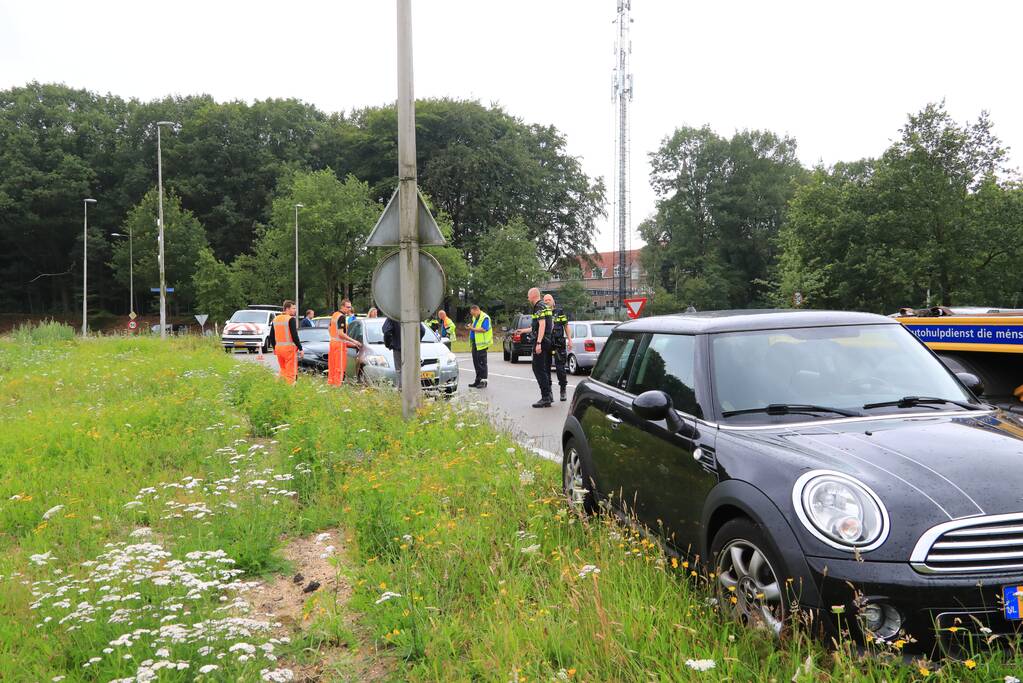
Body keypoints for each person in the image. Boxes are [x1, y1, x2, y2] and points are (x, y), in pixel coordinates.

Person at [544, 293, 572, 401]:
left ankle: (563, 390)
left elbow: (566, 326)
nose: (547, 302)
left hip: (559, 344)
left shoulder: (559, 312)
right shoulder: (542, 313)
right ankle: (549, 392)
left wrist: (569, 340)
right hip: (547, 344)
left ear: (553, 301)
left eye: (549, 300)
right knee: (546, 369)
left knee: (560, 369)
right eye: (545, 300)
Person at [527, 287, 553, 407]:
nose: (528, 298)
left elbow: (542, 324)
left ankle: (546, 397)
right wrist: (522, 331)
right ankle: (548, 396)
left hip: (541, 342)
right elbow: (547, 325)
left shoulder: (538, 306)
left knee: (538, 368)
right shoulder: (545, 306)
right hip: (547, 340)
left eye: (528, 296)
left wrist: (538, 343)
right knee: (541, 369)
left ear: (533, 296)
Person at [268, 300, 303, 385]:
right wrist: (300, 348)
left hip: (279, 349)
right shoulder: (290, 319)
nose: (295, 310)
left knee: (283, 369)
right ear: (287, 309)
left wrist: (274, 348)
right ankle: (290, 389)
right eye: (293, 308)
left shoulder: (275, 319)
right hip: (289, 349)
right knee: (291, 371)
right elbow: (294, 336)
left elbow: (271, 336)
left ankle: (278, 386)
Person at [327, 305, 361, 387]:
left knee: (333, 366)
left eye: (350, 307)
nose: (349, 309)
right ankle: (338, 385)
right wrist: (354, 341)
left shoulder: (335, 315)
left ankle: (332, 384)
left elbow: (329, 328)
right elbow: (341, 334)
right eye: (347, 307)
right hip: (339, 346)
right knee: (340, 367)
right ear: (342, 306)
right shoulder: (341, 317)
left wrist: (335, 338)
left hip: (333, 343)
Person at [466, 304, 491, 388]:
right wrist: (470, 326)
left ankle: (484, 381)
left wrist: (472, 328)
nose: (473, 315)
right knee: (476, 363)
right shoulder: (475, 317)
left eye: (473, 313)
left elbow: (484, 329)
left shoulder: (485, 318)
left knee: (482, 363)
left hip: (482, 345)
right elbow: (475, 327)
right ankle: (478, 380)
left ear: (477, 310)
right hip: (475, 343)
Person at [382, 316, 402, 389]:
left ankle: (402, 391)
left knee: (400, 370)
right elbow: (422, 330)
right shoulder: (413, 314)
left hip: (398, 348)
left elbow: (386, 331)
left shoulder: (393, 314)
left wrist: (388, 344)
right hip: (412, 349)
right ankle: (413, 392)